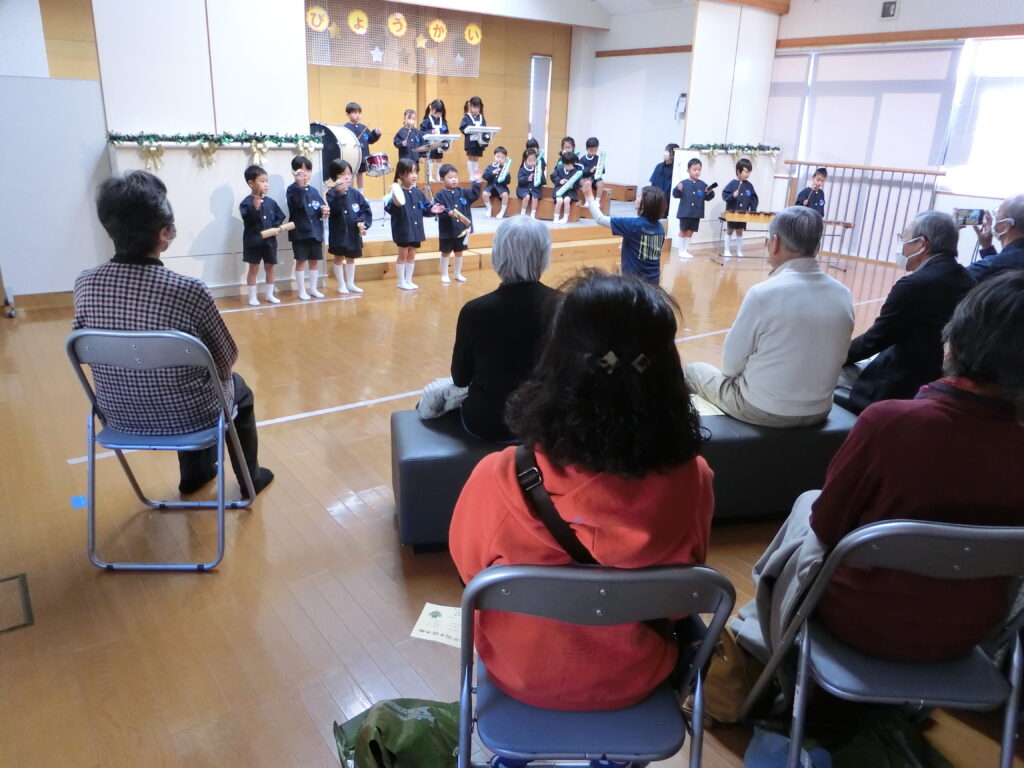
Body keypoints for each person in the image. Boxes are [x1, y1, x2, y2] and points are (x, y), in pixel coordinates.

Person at [450, 268, 714, 712]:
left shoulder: (499, 477)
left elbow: (469, 577)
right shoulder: (695, 481)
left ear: (556, 367)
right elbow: (679, 598)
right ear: (667, 373)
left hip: (519, 673)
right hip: (636, 677)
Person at [733, 272, 1024, 663]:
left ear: (951, 344)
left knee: (808, 505)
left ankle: (757, 631)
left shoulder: (889, 423)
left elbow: (827, 526)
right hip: (966, 636)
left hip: (858, 620)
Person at [73, 170, 273, 496]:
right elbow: (225, 360)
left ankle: (195, 476)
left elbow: (82, 348)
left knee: (187, 382)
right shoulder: (188, 291)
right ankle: (250, 479)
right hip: (190, 417)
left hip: (118, 415)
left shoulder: (85, 284)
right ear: (165, 232)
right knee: (237, 389)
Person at [684, 206, 854, 427]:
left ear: (775, 243)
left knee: (693, 370)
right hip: (820, 410)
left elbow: (730, 367)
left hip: (763, 409)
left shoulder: (763, 293)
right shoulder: (844, 294)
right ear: (817, 246)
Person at [837, 211, 975, 413]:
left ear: (921, 244)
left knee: (833, 372)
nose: (901, 244)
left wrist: (834, 357)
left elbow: (874, 341)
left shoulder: (913, 285)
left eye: (904, 237)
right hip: (942, 382)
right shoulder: (970, 280)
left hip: (899, 387)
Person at [448, 216, 557, 440]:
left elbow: (460, 378)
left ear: (498, 255)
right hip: (546, 420)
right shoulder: (565, 305)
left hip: (489, 421)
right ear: (544, 255)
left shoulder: (475, 311)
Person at [583, 180, 666, 285]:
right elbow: (648, 247)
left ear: (645, 205)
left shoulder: (634, 225)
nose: (636, 198)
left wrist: (589, 196)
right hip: (654, 282)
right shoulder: (660, 228)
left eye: (639, 196)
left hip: (635, 284)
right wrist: (631, 244)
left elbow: (600, 219)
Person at [384, 158, 444, 290]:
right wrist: (395, 203)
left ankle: (408, 280)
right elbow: (389, 209)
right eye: (410, 172)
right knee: (403, 256)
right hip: (403, 230)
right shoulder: (396, 192)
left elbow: (425, 208)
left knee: (411, 256)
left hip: (416, 230)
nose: (414, 175)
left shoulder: (418, 192)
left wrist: (432, 210)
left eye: (416, 172)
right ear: (401, 174)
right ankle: (401, 281)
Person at [239, 164, 285, 306]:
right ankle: (252, 297)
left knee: (270, 267)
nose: (266, 184)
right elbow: (248, 220)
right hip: (253, 241)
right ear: (251, 183)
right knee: (253, 268)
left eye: (267, 181)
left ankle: (269, 295)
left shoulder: (271, 202)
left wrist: (276, 228)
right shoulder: (246, 203)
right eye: (262, 181)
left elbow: (280, 216)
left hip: (269, 242)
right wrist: (255, 208)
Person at [325, 159, 372, 295]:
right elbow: (334, 209)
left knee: (351, 258)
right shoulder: (331, 193)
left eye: (349, 174)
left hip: (353, 233)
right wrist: (340, 194)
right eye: (342, 174)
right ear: (335, 176)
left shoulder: (356, 193)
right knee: (338, 258)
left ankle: (350, 283)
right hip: (338, 233)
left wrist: (362, 223)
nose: (347, 177)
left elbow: (365, 210)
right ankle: (341, 284)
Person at [286, 155, 328, 301]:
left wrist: (324, 211)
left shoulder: (314, 190)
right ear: (294, 172)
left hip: (315, 231)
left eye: (308, 171)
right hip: (300, 232)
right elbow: (297, 205)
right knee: (301, 261)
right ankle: (302, 290)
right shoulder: (292, 189)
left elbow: (321, 208)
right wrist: (300, 186)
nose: (305, 174)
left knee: (314, 261)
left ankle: (313, 288)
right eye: (301, 171)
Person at [433, 163, 482, 283]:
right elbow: (438, 208)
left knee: (459, 251)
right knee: (446, 252)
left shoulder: (463, 192)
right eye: (450, 177)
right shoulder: (440, 194)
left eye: (455, 177)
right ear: (442, 179)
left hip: (462, 230)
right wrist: (447, 211)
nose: (454, 179)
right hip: (447, 230)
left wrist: (477, 182)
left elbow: (475, 194)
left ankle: (457, 273)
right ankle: (445, 274)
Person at [967, 193, 1024, 282]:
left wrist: (951, 232)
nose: (995, 219)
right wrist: (987, 247)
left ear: (1006, 225)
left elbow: (951, 279)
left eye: (997, 212)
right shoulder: (1000, 263)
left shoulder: (990, 265)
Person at [673, 157, 715, 260]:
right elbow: (675, 194)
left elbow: (708, 197)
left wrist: (710, 192)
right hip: (685, 212)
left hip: (696, 213)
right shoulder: (683, 183)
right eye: (694, 169)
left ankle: (685, 250)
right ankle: (681, 251)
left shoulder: (702, 184)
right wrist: (678, 189)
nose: (697, 172)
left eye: (699, 170)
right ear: (688, 171)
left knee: (690, 231)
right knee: (683, 230)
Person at [721, 157, 758, 258]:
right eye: (746, 172)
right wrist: (732, 196)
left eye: (749, 172)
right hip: (732, 213)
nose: (748, 174)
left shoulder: (749, 186)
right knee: (729, 230)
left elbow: (753, 199)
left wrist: (753, 209)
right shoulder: (732, 184)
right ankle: (726, 250)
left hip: (743, 213)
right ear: (738, 171)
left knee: (739, 231)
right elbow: (724, 195)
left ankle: (739, 251)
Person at [342, 101, 382, 191]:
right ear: (348, 114)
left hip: (362, 155)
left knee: (360, 174)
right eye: (355, 113)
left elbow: (370, 139)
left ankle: (361, 193)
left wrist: (376, 133)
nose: (358, 115)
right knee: (350, 174)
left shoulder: (363, 127)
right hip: (351, 156)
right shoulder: (345, 128)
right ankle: (350, 192)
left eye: (359, 113)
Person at [550, 151, 583, 225]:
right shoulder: (559, 169)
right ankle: (556, 217)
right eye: (567, 164)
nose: (569, 166)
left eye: (570, 164)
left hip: (570, 192)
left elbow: (579, 184)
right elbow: (553, 176)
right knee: (559, 200)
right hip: (559, 189)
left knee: (567, 200)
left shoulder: (576, 172)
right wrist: (560, 180)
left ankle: (565, 218)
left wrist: (572, 186)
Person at [420, 99, 448, 183]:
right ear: (432, 109)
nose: (438, 114)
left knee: (439, 159)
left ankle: (439, 177)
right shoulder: (427, 120)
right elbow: (421, 131)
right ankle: (430, 177)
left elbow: (446, 131)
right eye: (437, 112)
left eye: (440, 112)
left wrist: (442, 134)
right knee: (431, 159)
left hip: (439, 143)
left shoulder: (442, 121)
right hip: (430, 144)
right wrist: (431, 132)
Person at [459, 96, 487, 179]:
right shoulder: (467, 117)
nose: (476, 110)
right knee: (471, 157)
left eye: (478, 107)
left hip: (479, 141)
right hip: (471, 141)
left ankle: (476, 175)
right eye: (474, 107)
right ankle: (471, 175)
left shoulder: (481, 117)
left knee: (476, 158)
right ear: (470, 106)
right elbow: (462, 128)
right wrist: (470, 130)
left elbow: (484, 128)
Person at [481, 146, 511, 218]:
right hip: (491, 188)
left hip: (501, 188)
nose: (500, 159)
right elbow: (484, 176)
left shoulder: (505, 168)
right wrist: (492, 172)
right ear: (494, 157)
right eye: (498, 157)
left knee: (505, 195)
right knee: (484, 194)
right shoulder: (490, 167)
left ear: (505, 159)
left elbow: (508, 182)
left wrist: (507, 174)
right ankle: (489, 208)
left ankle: (502, 211)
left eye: (502, 158)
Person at [516, 148, 542, 218]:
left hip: (534, 189)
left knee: (535, 197)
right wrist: (527, 179)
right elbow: (520, 181)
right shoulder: (522, 169)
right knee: (526, 196)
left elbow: (543, 182)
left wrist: (540, 175)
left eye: (534, 160)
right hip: (523, 188)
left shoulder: (537, 169)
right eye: (530, 161)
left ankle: (533, 213)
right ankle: (523, 212)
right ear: (525, 160)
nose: (532, 162)